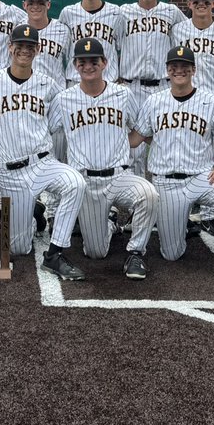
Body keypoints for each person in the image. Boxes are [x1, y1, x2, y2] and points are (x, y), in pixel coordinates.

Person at [0, 24, 87, 275]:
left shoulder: (48, 84)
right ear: (10, 47)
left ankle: (55, 253)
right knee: (18, 248)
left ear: (38, 50)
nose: (24, 50)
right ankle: (34, 210)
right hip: (9, 172)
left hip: (42, 163)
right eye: (19, 46)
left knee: (75, 183)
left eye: (29, 46)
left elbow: (57, 120)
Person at [133, 44, 214, 281]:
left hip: (201, 177)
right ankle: (181, 222)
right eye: (174, 67)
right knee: (172, 254)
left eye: (184, 66)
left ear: (193, 69)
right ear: (167, 70)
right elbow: (139, 136)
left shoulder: (211, 101)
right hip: (167, 183)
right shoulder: (154, 102)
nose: (179, 71)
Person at [48, 38, 158, 278]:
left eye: (94, 61)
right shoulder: (63, 99)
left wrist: (161, 146)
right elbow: (45, 131)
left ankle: (136, 253)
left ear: (104, 63)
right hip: (86, 182)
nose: (88, 66)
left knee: (149, 194)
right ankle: (107, 222)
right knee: (96, 252)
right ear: (75, 65)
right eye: (82, 62)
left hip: (119, 176)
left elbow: (139, 130)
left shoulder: (123, 95)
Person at [117, 0, 186, 174]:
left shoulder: (172, 12)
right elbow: (115, 45)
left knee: (166, 140)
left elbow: (185, 36)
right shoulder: (123, 13)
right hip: (132, 85)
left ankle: (165, 194)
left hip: (163, 85)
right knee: (134, 148)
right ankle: (135, 199)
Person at [60, 0, 123, 84]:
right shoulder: (67, 13)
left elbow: (121, 47)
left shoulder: (116, 12)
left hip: (107, 82)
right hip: (76, 82)